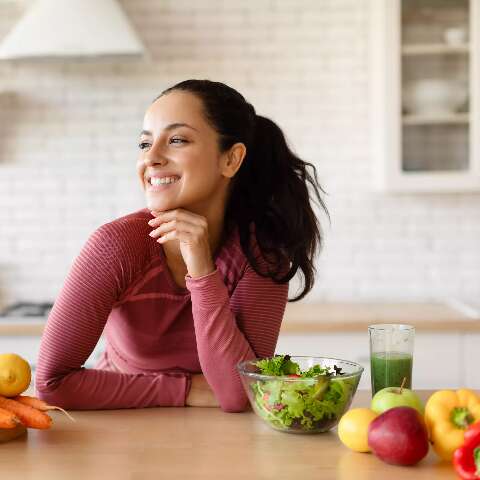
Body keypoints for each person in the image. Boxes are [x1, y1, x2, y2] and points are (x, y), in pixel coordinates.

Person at [34, 79, 328, 412]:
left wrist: (203, 272)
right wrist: (187, 391)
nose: (152, 158)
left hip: (220, 439)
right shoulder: (115, 247)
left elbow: (240, 395)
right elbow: (52, 383)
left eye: (176, 140)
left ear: (231, 159)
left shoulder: (261, 254)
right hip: (119, 426)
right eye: (145, 144)